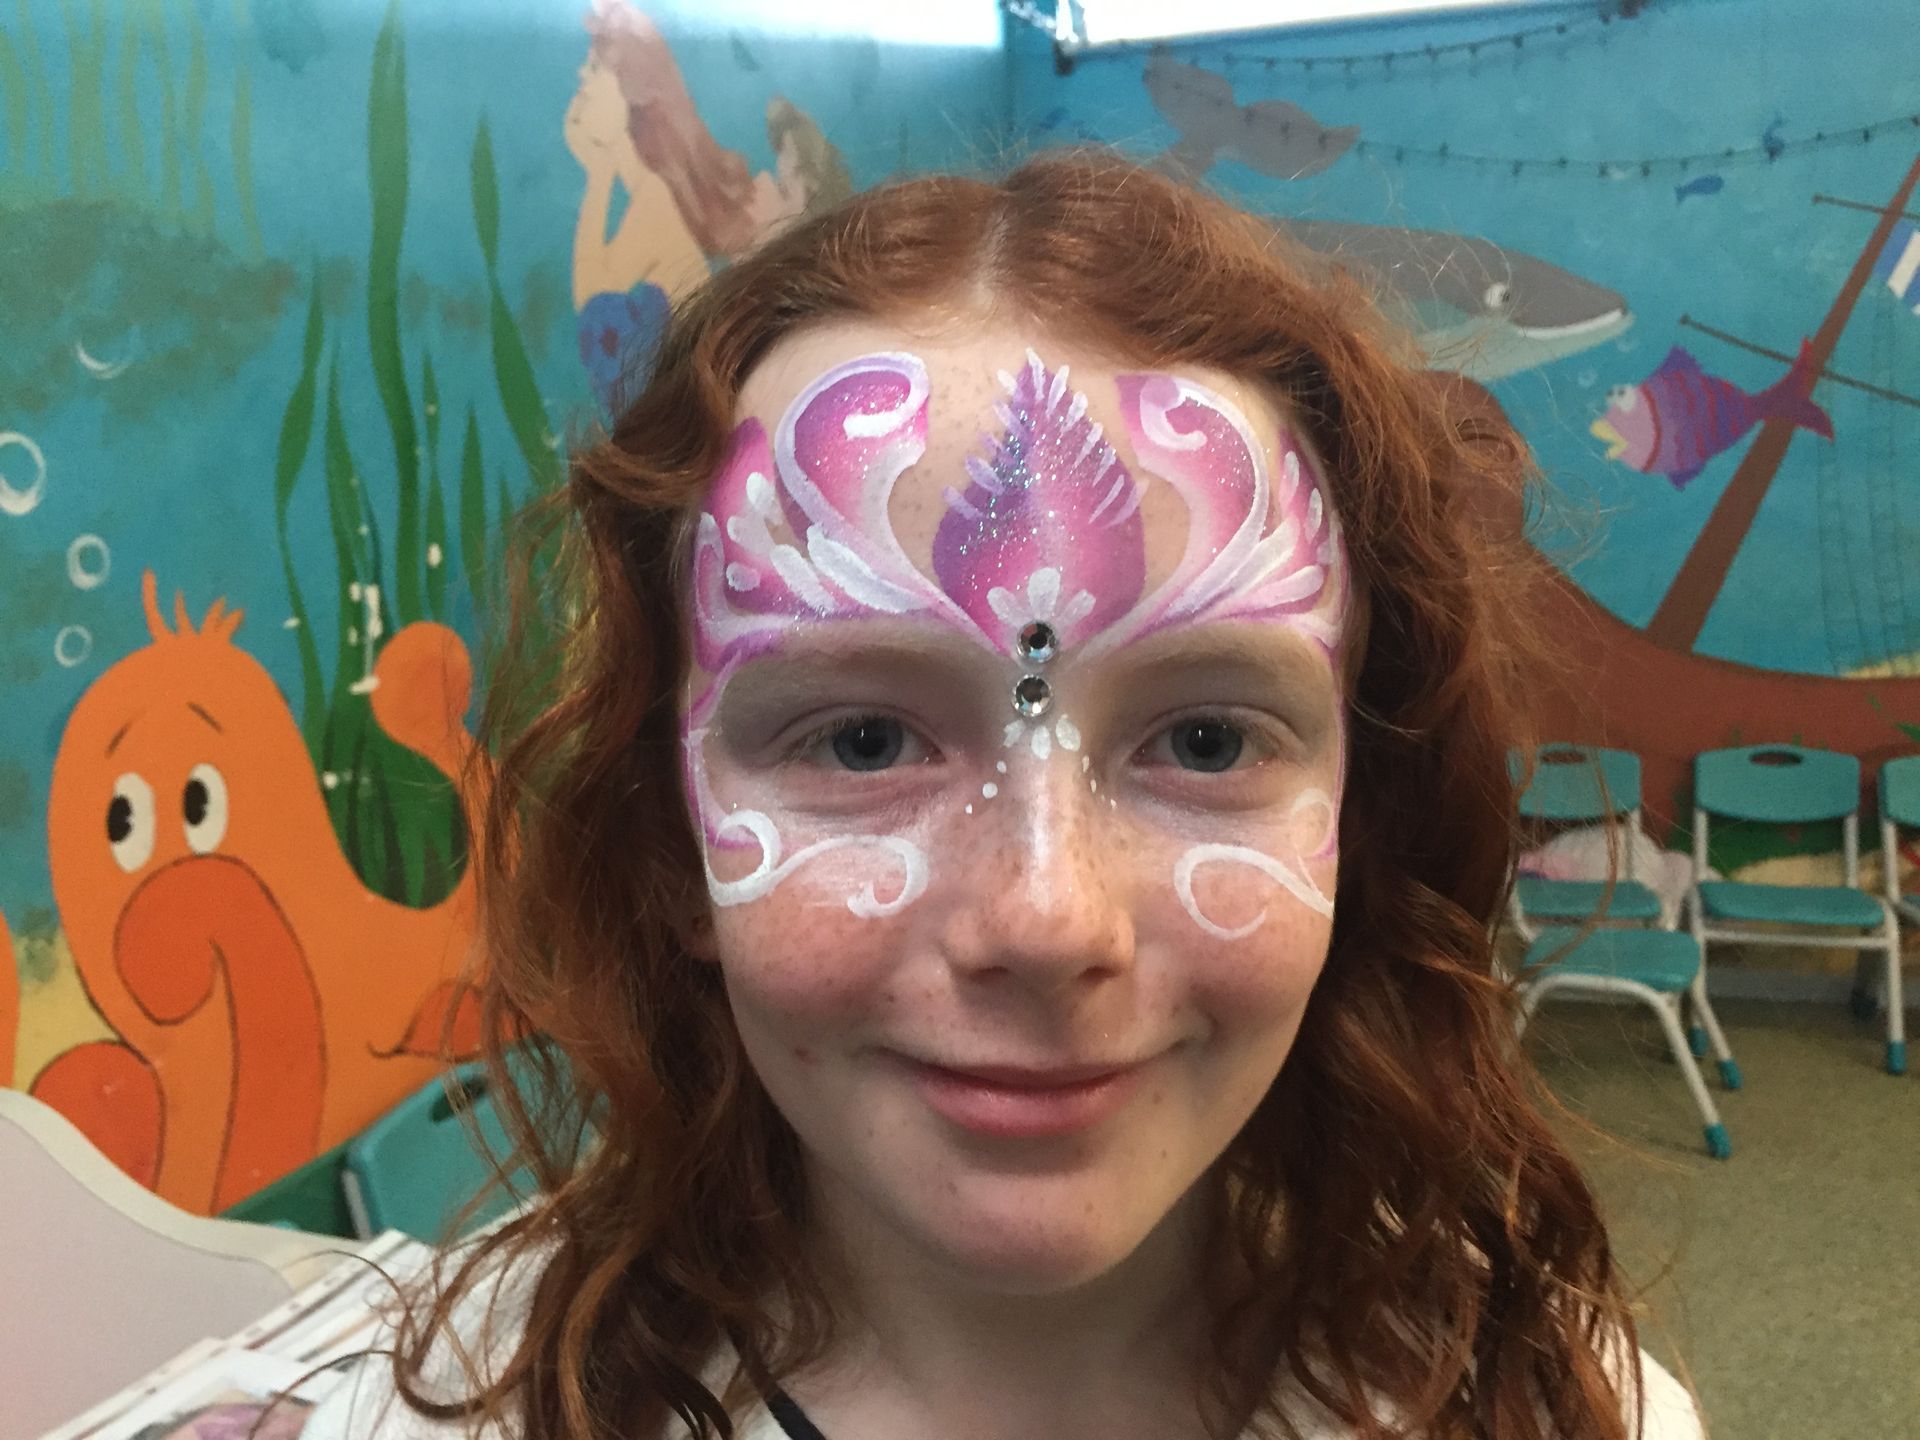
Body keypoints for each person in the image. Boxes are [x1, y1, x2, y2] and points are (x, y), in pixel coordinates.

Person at [303, 148, 1706, 1440]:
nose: (1046, 920)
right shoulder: (460, 1412)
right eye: (861, 743)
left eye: (1207, 743)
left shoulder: (1557, 1408)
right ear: (672, 849)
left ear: (1360, 816)